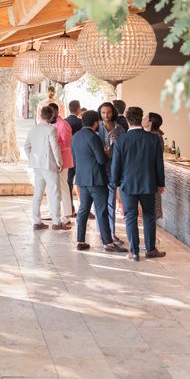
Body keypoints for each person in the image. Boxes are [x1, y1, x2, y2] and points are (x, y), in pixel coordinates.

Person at [111, 107, 166, 262]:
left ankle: (134, 252)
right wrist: (161, 183)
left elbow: (116, 165)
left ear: (128, 120)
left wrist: (115, 183)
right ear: (141, 119)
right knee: (149, 216)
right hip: (149, 183)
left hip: (127, 184)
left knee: (130, 217)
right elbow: (158, 164)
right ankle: (150, 249)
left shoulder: (120, 140)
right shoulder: (153, 139)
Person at [72, 111, 125, 253]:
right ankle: (108, 243)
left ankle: (80, 240)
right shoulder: (94, 137)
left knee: (83, 210)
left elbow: (76, 158)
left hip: (82, 179)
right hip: (97, 179)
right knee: (101, 211)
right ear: (95, 123)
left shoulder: (76, 136)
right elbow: (101, 160)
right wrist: (107, 153)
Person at [24, 107, 69, 231]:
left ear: (40, 115)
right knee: (55, 193)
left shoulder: (33, 129)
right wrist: (59, 162)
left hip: (37, 165)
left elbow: (26, 146)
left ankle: (37, 221)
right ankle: (56, 222)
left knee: (37, 194)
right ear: (51, 116)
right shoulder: (51, 129)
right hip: (49, 165)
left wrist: (32, 158)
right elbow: (55, 148)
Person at [97, 102, 127, 247]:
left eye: (108, 112)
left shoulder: (120, 129)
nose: (106, 116)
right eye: (103, 113)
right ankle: (103, 233)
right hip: (99, 168)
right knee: (101, 203)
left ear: (113, 113)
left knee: (111, 203)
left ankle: (111, 233)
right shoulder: (97, 128)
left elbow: (125, 149)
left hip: (114, 170)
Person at [49, 103, 73, 226]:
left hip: (63, 159)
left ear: (57, 112)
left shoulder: (63, 124)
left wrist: (55, 145)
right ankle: (55, 212)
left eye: (52, 111)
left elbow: (67, 143)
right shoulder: (51, 124)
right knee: (55, 187)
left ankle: (67, 214)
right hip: (54, 159)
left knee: (63, 186)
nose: (50, 114)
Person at [143, 112, 165, 221]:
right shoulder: (152, 135)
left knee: (152, 208)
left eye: (146, 118)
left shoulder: (155, 136)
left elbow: (157, 158)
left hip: (152, 176)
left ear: (150, 122)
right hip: (150, 175)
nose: (143, 119)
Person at [64, 101, 82, 217]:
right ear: (78, 109)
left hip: (68, 155)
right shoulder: (80, 122)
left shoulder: (65, 122)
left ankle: (69, 208)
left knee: (68, 183)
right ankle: (83, 207)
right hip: (79, 156)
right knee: (81, 182)